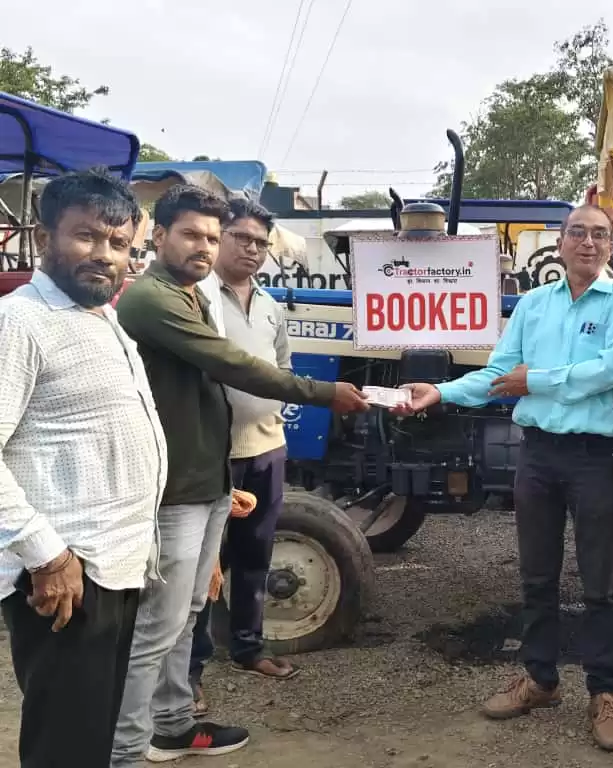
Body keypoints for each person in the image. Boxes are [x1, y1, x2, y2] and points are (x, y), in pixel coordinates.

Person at [111, 184, 369, 766]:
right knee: (159, 622)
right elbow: (231, 365)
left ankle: (174, 724)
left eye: (210, 235)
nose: (205, 246)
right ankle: (126, 748)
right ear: (158, 236)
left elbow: (245, 377)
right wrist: (325, 394)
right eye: (195, 235)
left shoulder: (197, 297)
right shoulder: (155, 299)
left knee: (190, 610)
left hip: (209, 480)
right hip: (176, 485)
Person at [393, 204, 613, 752]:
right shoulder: (533, 305)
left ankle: (604, 691)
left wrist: (536, 380)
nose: (588, 242)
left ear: (611, 246)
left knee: (601, 582)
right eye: (577, 232)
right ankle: (541, 680)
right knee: (536, 576)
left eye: (600, 235)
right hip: (538, 455)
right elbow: (497, 375)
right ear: (560, 242)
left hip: (596, 455)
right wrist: (442, 391)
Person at [0, 169, 166, 767]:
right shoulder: (19, 322)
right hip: (66, 575)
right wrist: (47, 555)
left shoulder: (101, 318)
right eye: (87, 237)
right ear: (46, 235)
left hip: (112, 566)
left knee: (89, 737)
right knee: (64, 747)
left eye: (119, 245)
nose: (105, 256)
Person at [188, 199, 299, 716]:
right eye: (241, 238)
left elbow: (282, 370)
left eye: (260, 243)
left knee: (255, 557)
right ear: (220, 236)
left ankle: (248, 648)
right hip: (214, 455)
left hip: (265, 448)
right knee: (202, 567)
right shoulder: (196, 299)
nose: (251, 250)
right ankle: (188, 673)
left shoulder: (271, 306)